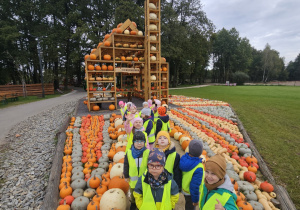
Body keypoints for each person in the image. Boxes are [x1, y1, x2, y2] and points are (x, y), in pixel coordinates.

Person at [124, 131, 150, 210]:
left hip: (143, 180)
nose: (139, 143)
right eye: (137, 141)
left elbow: (150, 165)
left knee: (142, 193)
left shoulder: (147, 152)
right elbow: (126, 165)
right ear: (133, 142)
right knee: (133, 193)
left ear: (145, 142)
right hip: (133, 181)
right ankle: (133, 203)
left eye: (142, 141)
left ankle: (142, 205)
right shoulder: (129, 153)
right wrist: (126, 175)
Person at [180, 140, 205, 210]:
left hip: (185, 189)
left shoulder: (184, 158)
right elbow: (195, 186)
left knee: (187, 204)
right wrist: (195, 200)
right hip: (191, 193)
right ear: (200, 153)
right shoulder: (199, 167)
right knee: (190, 207)